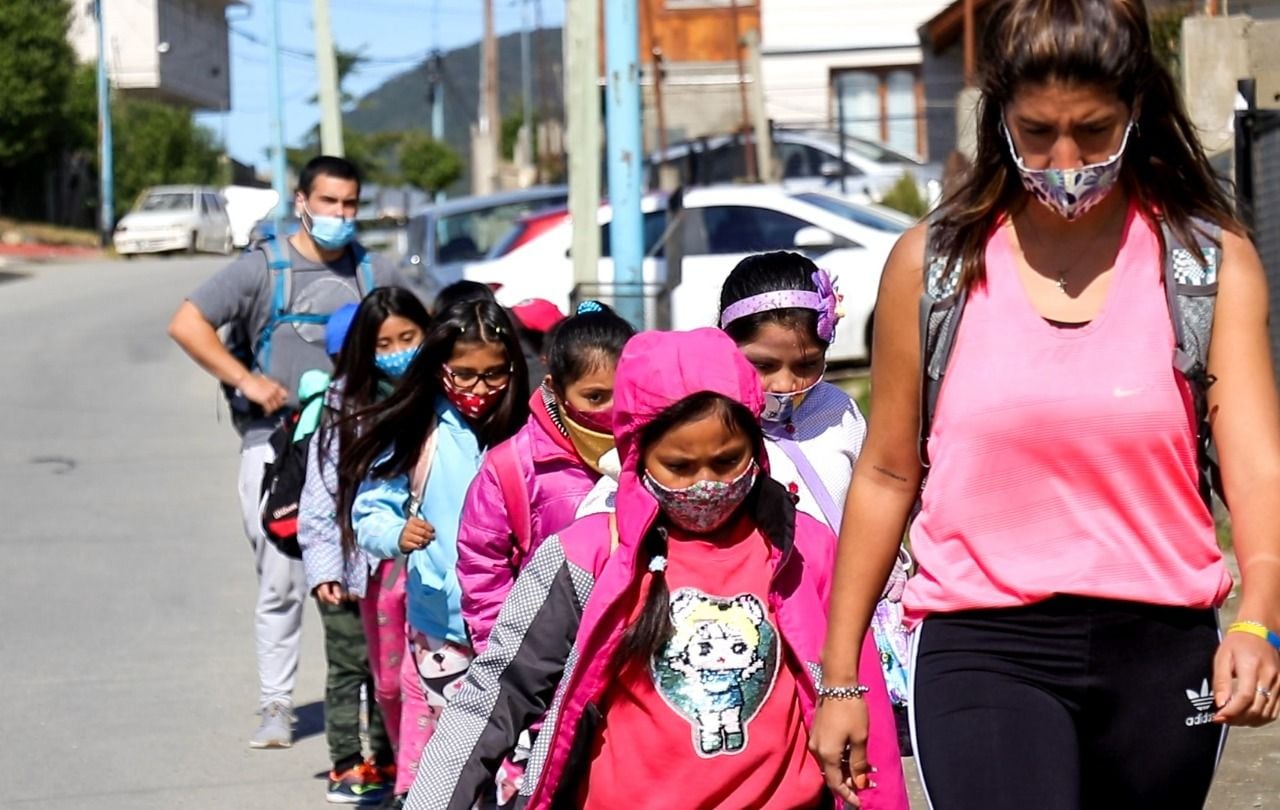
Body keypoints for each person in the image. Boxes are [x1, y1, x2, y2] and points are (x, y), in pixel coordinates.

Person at [808, 2, 1280, 808]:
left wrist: (1259, 618)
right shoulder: (934, 267)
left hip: (1160, 651)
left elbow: (1257, 472)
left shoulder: (1208, 266)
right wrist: (842, 676)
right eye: (1037, 133)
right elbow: (888, 472)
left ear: (1137, 111)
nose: (1067, 160)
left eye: (1094, 131)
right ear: (1000, 119)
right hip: (982, 645)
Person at [406, 328, 842, 810]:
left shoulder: (807, 551)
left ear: (756, 450)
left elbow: (858, 707)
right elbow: (494, 695)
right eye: (679, 466)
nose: (706, 486)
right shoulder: (585, 557)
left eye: (726, 461)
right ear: (637, 456)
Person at [167, 155, 407, 748]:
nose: (340, 215)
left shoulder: (374, 271)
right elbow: (187, 323)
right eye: (328, 202)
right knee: (281, 579)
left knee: (372, 575)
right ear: (302, 202)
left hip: (358, 445)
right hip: (275, 446)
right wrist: (247, 382)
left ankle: (378, 703)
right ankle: (276, 704)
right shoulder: (261, 269)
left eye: (350, 204)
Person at [339, 299, 529, 807]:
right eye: (463, 375)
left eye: (494, 374)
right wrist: (395, 532)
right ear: (440, 368)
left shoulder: (530, 431)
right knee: (462, 757)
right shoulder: (419, 430)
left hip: (521, 629)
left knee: (518, 766)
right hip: (441, 628)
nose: (479, 389)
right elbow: (369, 510)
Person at [456, 300, 634, 805]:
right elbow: (482, 569)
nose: (609, 413)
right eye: (594, 396)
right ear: (555, 389)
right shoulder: (513, 467)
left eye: (621, 396)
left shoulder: (661, 454)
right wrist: (518, 669)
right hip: (545, 678)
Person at [297, 288, 432, 804]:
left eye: (407, 337)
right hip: (366, 572)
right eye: (384, 343)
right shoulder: (344, 406)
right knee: (379, 677)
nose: (397, 350)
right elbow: (321, 494)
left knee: (418, 678)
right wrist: (326, 568)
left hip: (430, 569)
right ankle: (366, 762)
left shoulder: (442, 395)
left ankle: (405, 769)